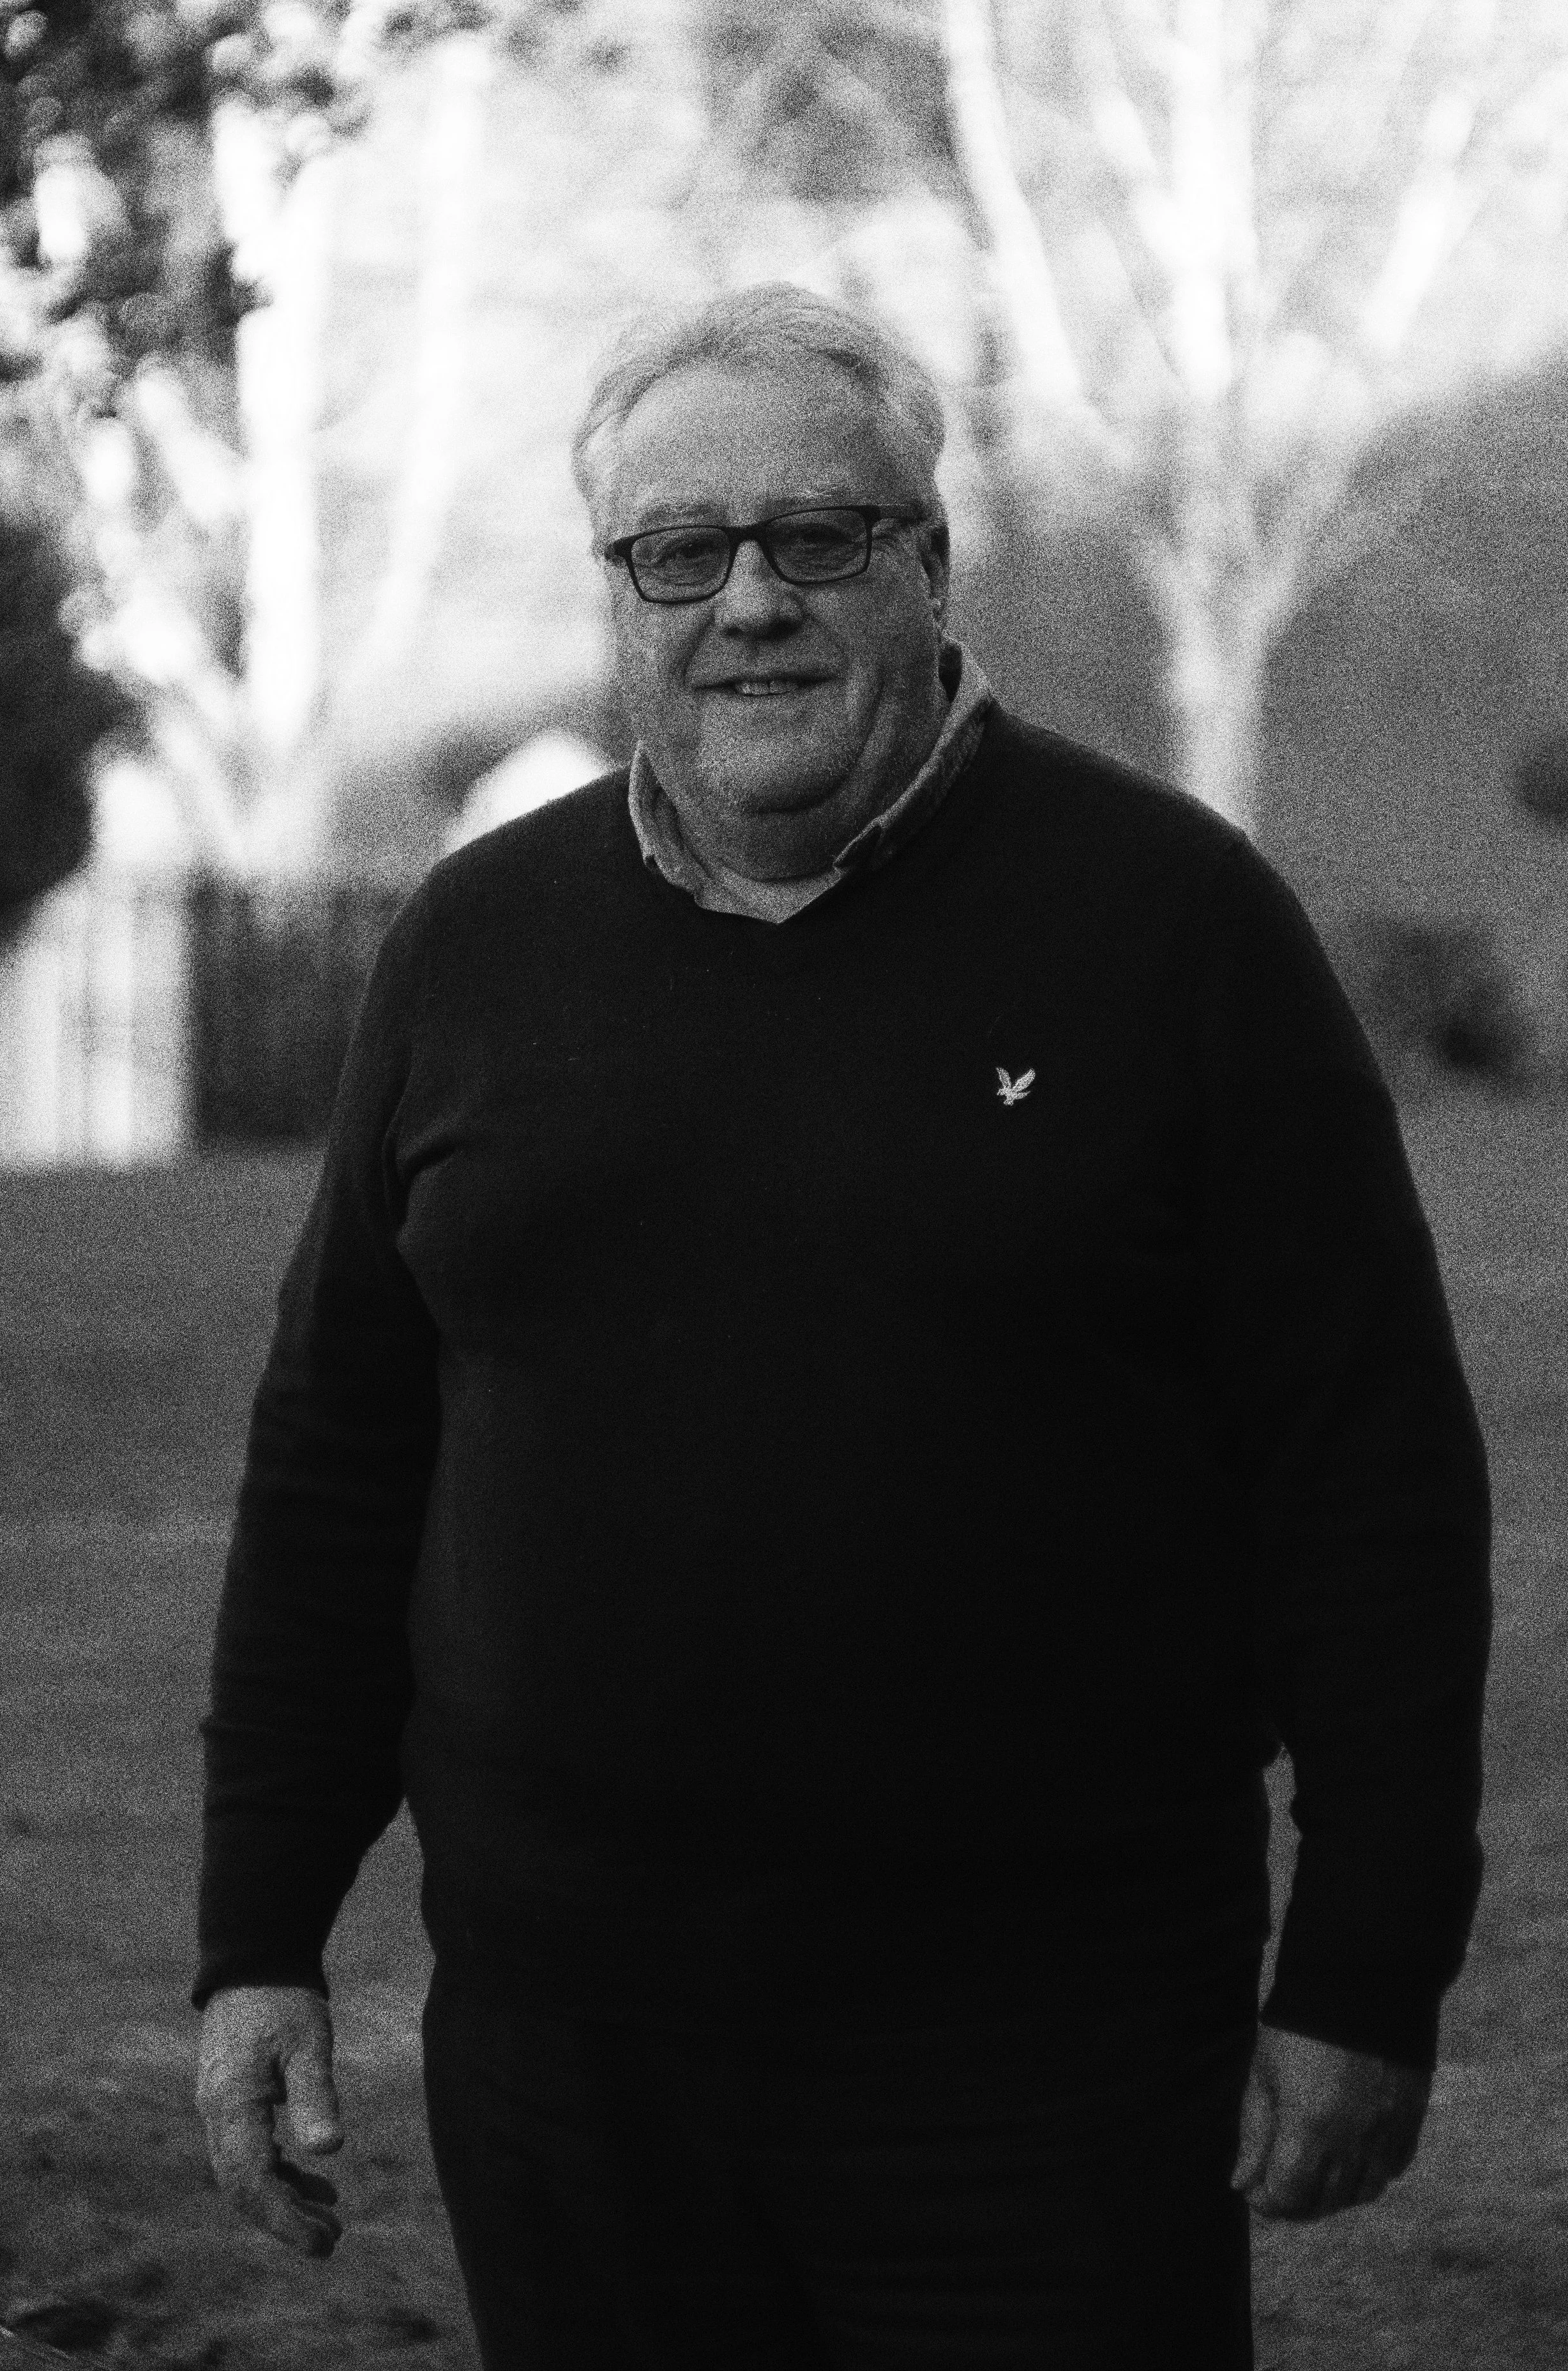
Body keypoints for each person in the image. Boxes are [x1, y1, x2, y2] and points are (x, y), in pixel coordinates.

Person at [193, 284, 1492, 2368]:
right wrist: (257, 1940)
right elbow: (340, 1462)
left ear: (931, 562)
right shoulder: (473, 946)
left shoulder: (1171, 928)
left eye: (818, 539)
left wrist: (1362, 1971)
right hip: (566, 2061)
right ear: (615, 593)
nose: (750, 606)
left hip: (1039, 2065)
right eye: (678, 554)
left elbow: (1372, 1480)